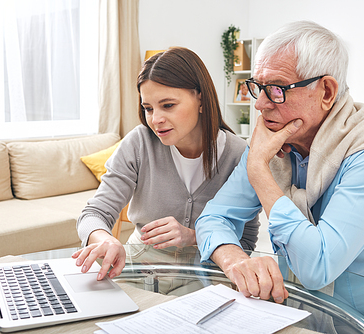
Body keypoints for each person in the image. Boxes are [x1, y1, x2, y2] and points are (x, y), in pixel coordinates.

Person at [195, 21, 364, 317]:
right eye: (257, 88)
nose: (261, 104)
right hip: (300, 311)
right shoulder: (273, 140)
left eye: (276, 89)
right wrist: (235, 259)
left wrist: (259, 173)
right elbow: (212, 218)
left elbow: (318, 267)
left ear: (326, 91)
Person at [73, 47, 260, 282]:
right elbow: (94, 213)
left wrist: (193, 236)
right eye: (148, 108)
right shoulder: (139, 143)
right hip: (139, 269)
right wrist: (105, 239)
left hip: (205, 277)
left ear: (200, 98)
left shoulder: (238, 155)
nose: (156, 120)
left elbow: (246, 242)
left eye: (168, 105)